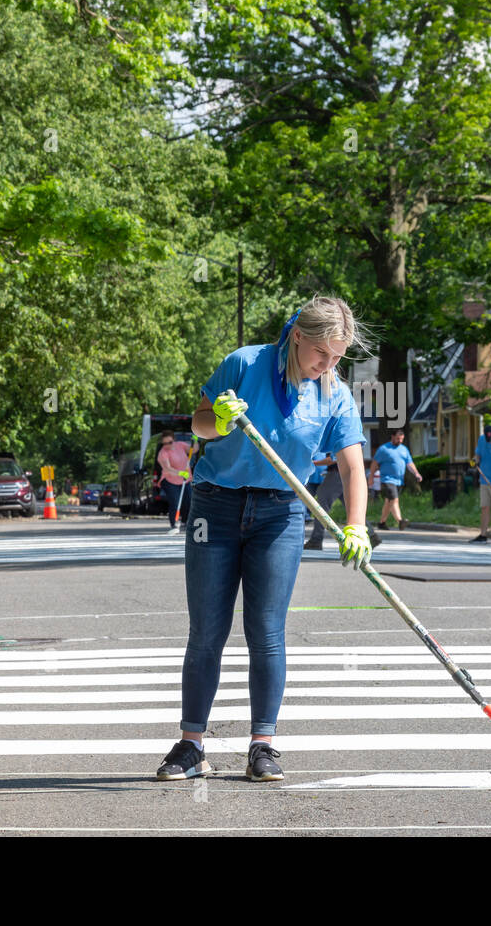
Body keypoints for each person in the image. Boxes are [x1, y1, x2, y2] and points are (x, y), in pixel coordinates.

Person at [154, 296, 373, 783]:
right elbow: (198, 423)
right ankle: (192, 745)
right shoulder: (244, 362)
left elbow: (352, 465)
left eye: (338, 357)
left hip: (279, 514)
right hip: (215, 504)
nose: (328, 365)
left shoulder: (333, 394)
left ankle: (263, 745)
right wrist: (221, 420)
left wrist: (356, 524)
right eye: (323, 353)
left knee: (267, 632)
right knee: (207, 631)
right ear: (298, 336)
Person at [370, 428, 421, 530]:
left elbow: (409, 463)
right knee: (394, 499)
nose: (400, 441)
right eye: (398, 438)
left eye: (401, 439)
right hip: (387, 479)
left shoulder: (404, 449)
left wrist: (416, 473)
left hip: (399, 480)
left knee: (389, 501)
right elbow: (374, 463)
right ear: (392, 437)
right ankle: (400, 521)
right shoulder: (383, 449)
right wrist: (371, 477)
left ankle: (382, 522)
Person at [155, 432, 193, 530]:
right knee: (175, 502)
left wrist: (195, 441)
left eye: (169, 442)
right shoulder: (162, 453)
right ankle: (174, 524)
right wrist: (180, 473)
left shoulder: (180, 445)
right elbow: (167, 469)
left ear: (173, 440)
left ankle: (185, 521)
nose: (167, 445)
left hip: (185, 479)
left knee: (188, 501)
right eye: (165, 443)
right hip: (169, 480)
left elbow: (193, 450)